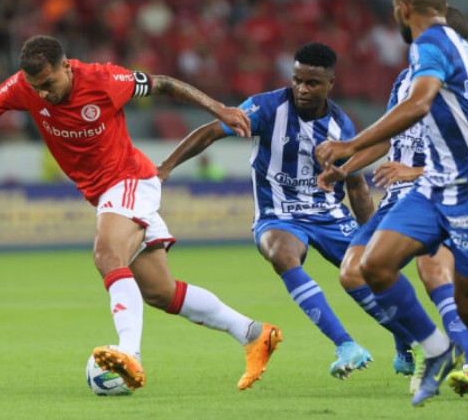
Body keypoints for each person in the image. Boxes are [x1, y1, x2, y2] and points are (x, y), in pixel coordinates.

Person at [0, 35, 281, 392]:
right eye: (37, 87)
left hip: (129, 179)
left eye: (48, 84)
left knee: (107, 255)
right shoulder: (24, 87)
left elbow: (165, 84)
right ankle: (253, 333)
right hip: (106, 193)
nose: (43, 94)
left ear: (66, 65)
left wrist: (219, 109)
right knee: (160, 292)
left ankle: (130, 355)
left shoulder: (105, 81)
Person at [315, 0, 468, 418]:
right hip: (434, 187)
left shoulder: (429, 45)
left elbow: (419, 106)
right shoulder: (465, 54)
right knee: (372, 265)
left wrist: (350, 144)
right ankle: (436, 349)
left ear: (403, 9)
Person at [157, 42, 376, 380]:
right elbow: (213, 131)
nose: (302, 89)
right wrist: (167, 165)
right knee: (282, 253)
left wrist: (373, 236)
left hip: (328, 214)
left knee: (371, 275)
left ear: (331, 84)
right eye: (297, 80)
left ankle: (411, 347)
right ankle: (345, 344)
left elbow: (358, 187)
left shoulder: (342, 127)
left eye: (312, 83)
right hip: (278, 214)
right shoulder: (265, 108)